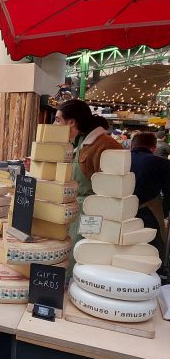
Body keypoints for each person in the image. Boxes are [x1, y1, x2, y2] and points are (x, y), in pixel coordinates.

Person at [54, 99, 122, 255]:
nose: (54, 125)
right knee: (72, 253)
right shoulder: (82, 141)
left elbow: (113, 190)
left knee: (82, 255)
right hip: (78, 211)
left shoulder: (106, 145)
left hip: (93, 214)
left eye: (58, 120)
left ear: (71, 122)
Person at [131, 132, 170, 262]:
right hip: (148, 213)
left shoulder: (121, 159)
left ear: (132, 145)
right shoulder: (162, 163)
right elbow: (168, 192)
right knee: (149, 250)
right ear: (154, 147)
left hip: (118, 213)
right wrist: (164, 212)